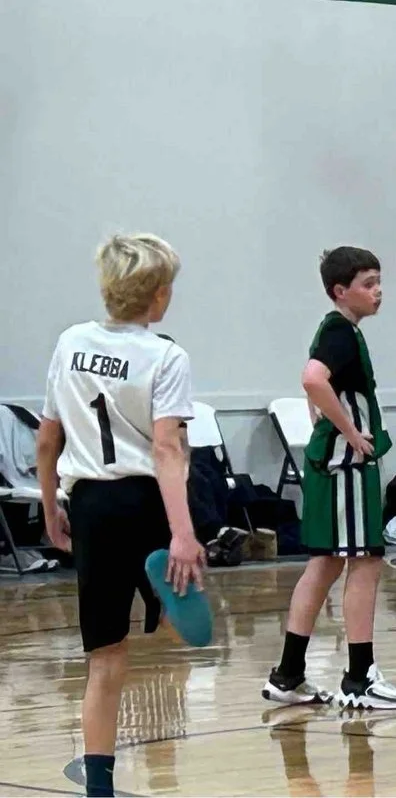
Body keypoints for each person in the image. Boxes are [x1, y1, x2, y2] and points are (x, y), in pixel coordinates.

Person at [36, 233, 206, 797]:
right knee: (175, 576)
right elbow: (167, 450)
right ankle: (161, 592)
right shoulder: (167, 355)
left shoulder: (70, 344)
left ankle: (99, 788)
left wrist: (50, 505)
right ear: (158, 296)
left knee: (104, 656)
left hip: (90, 505)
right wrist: (184, 534)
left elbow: (47, 438)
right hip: (145, 501)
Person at [261, 246, 396, 711]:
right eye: (368, 283)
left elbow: (313, 384)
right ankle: (359, 677)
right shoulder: (341, 333)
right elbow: (312, 379)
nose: (378, 291)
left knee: (325, 564)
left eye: (378, 281)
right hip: (347, 467)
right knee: (365, 562)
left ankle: (288, 675)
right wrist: (349, 432)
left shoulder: (335, 332)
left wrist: (325, 423)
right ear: (340, 291)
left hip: (331, 464)